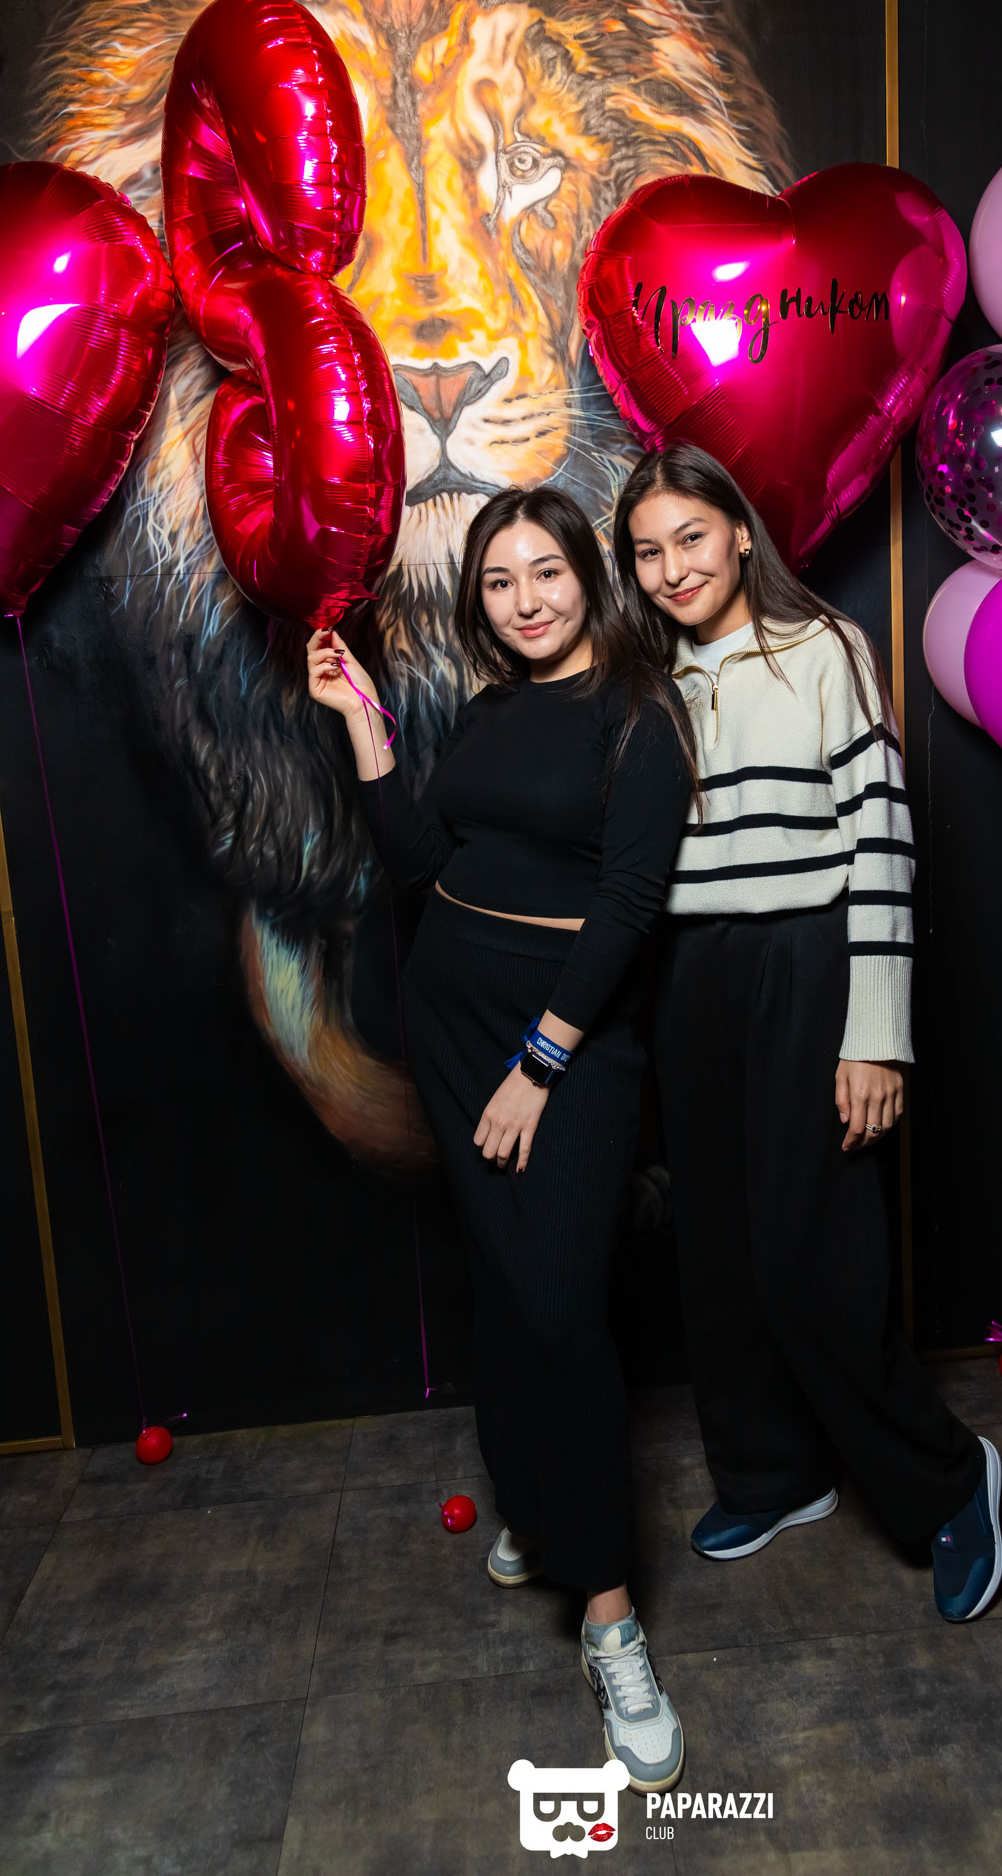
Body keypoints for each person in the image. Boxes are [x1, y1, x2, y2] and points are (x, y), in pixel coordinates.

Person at [307, 485, 695, 1788]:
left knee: (560, 1307)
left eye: (547, 572)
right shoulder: (485, 713)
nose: (525, 601)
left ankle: (610, 1619)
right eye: (498, 581)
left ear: (591, 575)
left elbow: (629, 906)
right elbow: (421, 864)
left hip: (558, 1044)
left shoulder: (640, 715)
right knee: (507, 1288)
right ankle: (534, 1496)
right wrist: (362, 726)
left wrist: (542, 1063)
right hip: (449, 1025)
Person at [612, 443, 1002, 1624]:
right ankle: (770, 1476)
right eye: (646, 552)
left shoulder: (823, 647)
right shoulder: (646, 681)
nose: (672, 568)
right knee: (717, 1252)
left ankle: (948, 1483)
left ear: (738, 533)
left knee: (812, 1256)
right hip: (691, 971)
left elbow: (880, 836)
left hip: (807, 957)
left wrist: (873, 1033)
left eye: (690, 538)